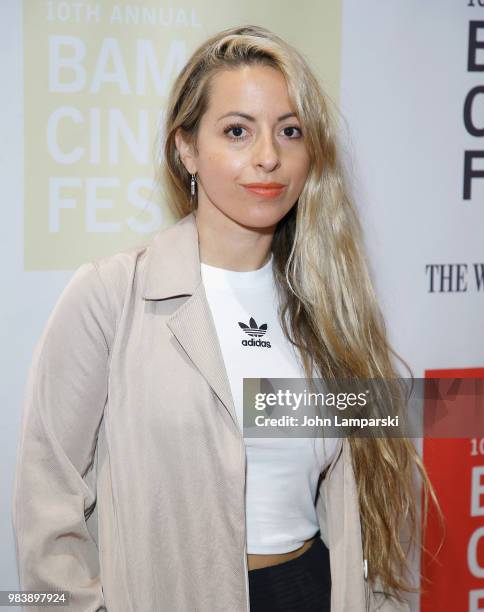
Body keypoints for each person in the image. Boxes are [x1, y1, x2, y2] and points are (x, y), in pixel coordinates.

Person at [12, 24, 443, 612]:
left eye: (289, 131)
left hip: (311, 590)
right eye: (237, 131)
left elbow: (373, 503)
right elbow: (46, 497)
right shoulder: (113, 295)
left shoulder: (332, 305)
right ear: (186, 148)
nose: (268, 156)